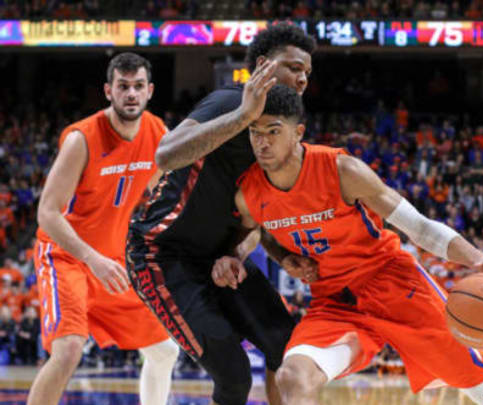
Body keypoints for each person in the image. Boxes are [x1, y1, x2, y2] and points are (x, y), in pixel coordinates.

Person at [231, 85, 483, 405]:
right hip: (335, 300)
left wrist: (475, 259)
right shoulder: (249, 192)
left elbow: (418, 227)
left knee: (482, 387)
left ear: (298, 133)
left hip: (392, 283)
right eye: (254, 132)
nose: (262, 141)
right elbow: (255, 230)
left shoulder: (342, 170)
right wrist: (271, 256)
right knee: (292, 376)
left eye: (273, 131)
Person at [126, 23, 317, 405]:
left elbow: (257, 213)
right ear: (263, 65)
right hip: (161, 255)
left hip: (218, 255)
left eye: (307, 74)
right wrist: (245, 115)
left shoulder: (283, 133)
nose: (301, 79)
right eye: (294, 68)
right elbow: (166, 153)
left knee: (288, 345)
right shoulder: (230, 102)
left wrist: (264, 254)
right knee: (233, 376)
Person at [28, 53, 178, 405]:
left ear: (150, 91)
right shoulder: (82, 139)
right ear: (108, 91)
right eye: (123, 86)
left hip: (112, 260)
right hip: (65, 257)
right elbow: (47, 213)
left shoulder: (158, 134)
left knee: (165, 349)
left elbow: (170, 192)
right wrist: (91, 259)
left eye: (138, 86)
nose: (131, 94)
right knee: (67, 351)